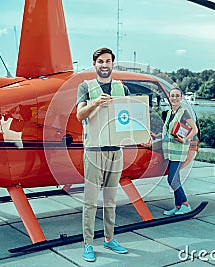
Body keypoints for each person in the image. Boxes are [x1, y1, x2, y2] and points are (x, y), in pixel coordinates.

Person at [76, 47, 129, 262]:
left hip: (116, 152)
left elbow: (128, 117)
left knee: (110, 200)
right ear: (95, 64)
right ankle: (88, 244)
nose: (104, 65)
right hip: (94, 151)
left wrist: (143, 135)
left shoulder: (121, 88)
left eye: (108, 61)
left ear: (112, 64)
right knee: (90, 201)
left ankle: (109, 239)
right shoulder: (85, 87)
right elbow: (80, 115)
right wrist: (96, 102)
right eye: (100, 61)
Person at [153, 87, 198, 216]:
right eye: (172, 95)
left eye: (177, 96)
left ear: (181, 98)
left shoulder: (183, 113)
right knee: (174, 179)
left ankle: (185, 204)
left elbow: (194, 129)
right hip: (170, 152)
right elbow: (167, 131)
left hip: (178, 152)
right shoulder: (169, 113)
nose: (174, 98)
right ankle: (178, 206)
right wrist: (156, 136)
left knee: (172, 179)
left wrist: (185, 138)